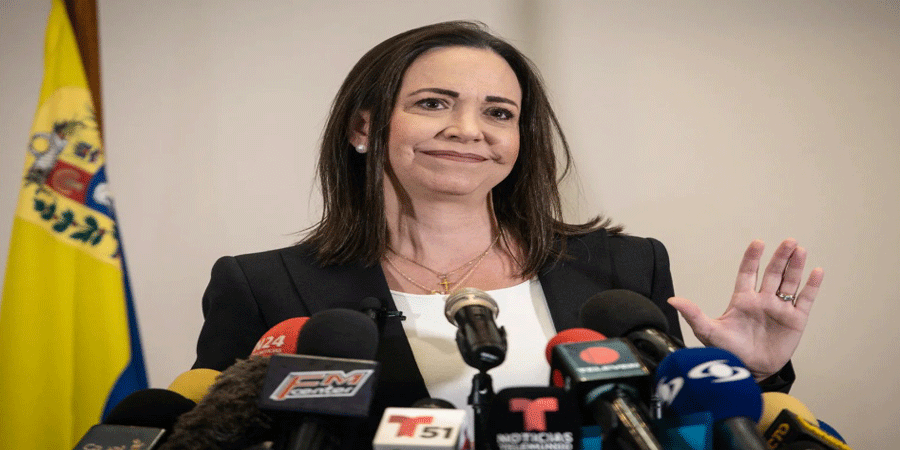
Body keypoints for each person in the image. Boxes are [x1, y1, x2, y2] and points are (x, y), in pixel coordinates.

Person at [191, 20, 823, 446]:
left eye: (498, 113)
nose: (469, 130)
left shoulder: (624, 271)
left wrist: (751, 373)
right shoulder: (263, 286)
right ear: (363, 128)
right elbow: (209, 431)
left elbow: (678, 426)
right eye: (433, 103)